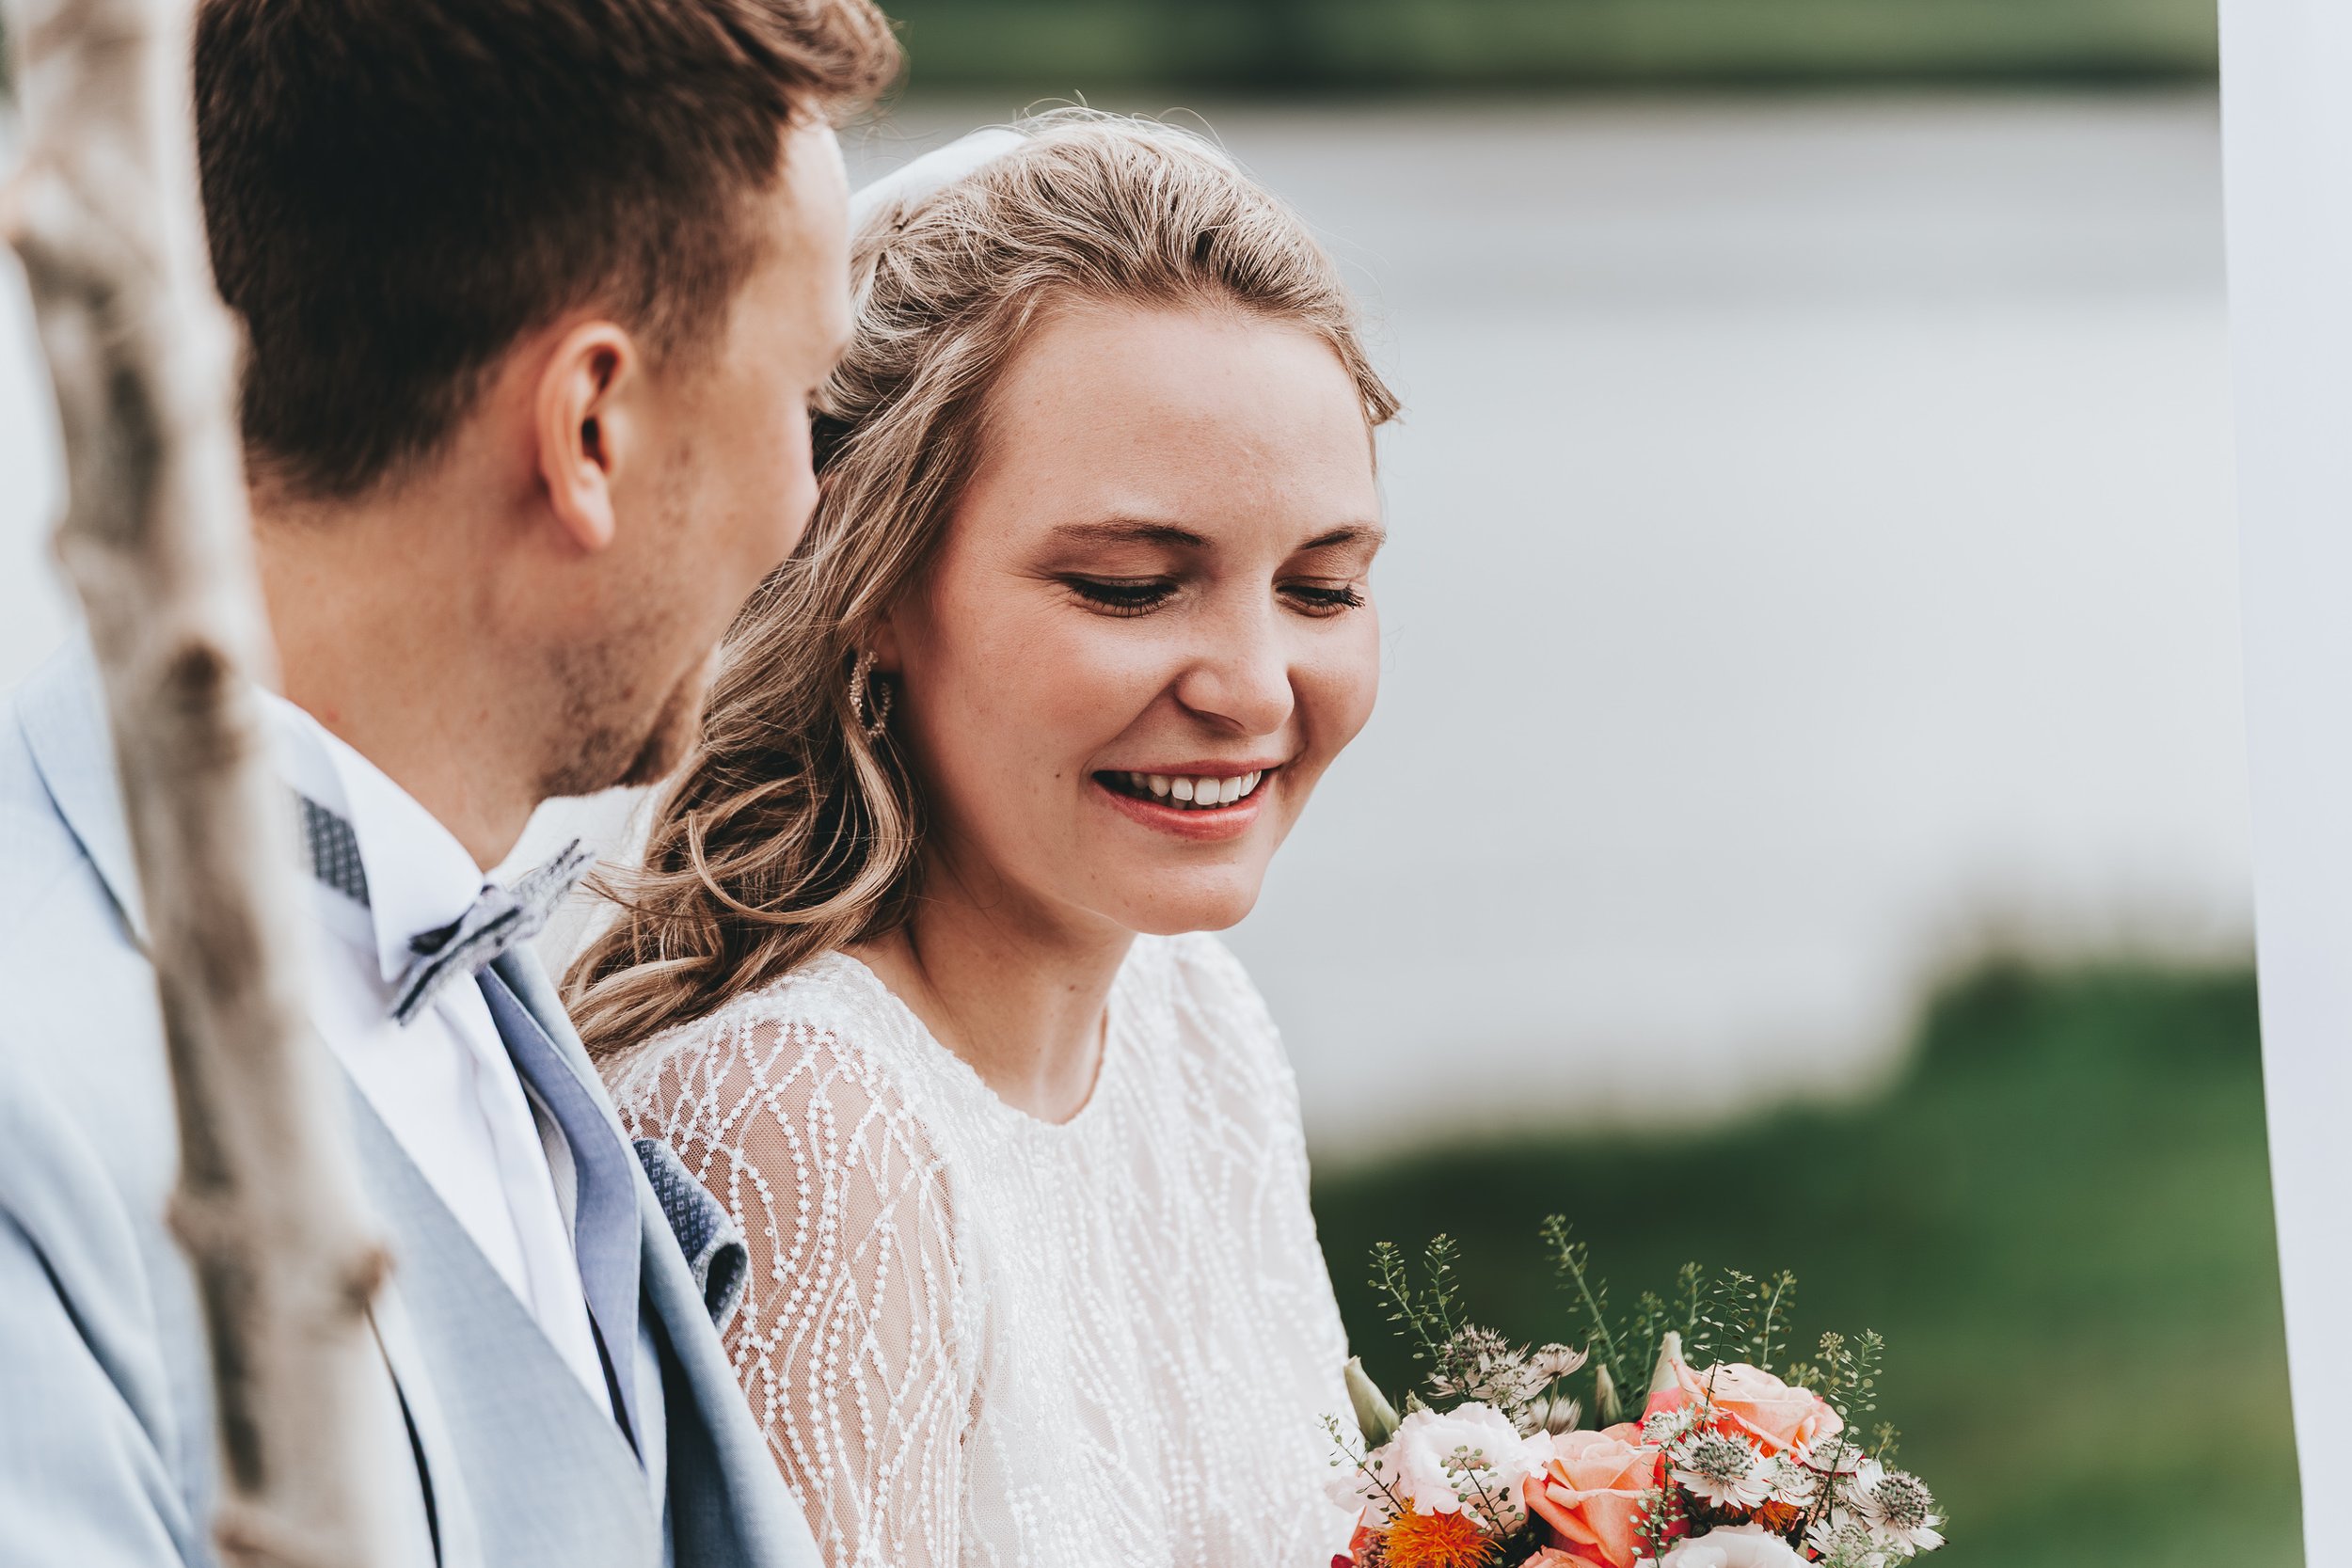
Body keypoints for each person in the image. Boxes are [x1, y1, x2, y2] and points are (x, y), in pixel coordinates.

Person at [0, 2, 898, 1564]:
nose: (808, 506)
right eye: (804, 406)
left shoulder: (469, 960)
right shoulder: (37, 1115)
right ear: (590, 430)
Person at [565, 113, 1401, 1567]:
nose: (1255, 687)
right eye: (1134, 587)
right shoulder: (803, 1136)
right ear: (872, 592)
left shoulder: (1192, 1026)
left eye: (1322, 589)